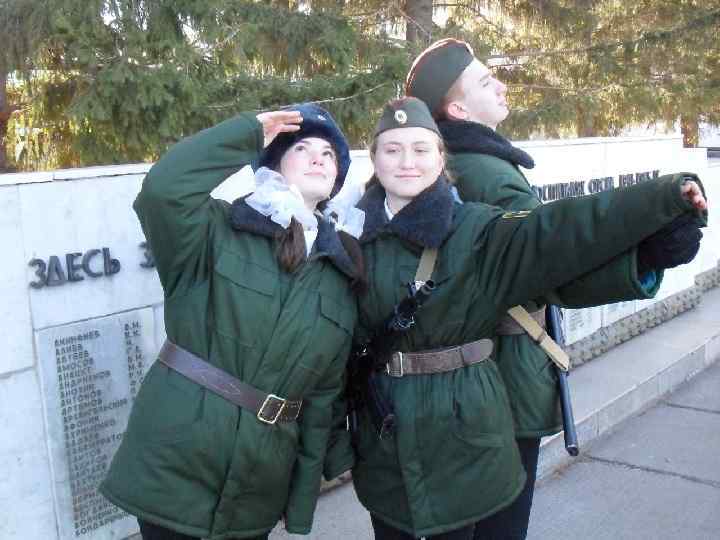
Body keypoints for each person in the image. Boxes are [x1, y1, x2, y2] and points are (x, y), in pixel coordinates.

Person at [330, 96, 706, 540]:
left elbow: (561, 230)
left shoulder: (478, 230)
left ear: (441, 157)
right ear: (375, 159)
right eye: (392, 150)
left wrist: (664, 198)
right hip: (383, 438)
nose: (406, 161)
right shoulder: (347, 234)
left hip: (465, 432)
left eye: (420, 148)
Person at [100, 104, 365, 540]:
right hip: (177, 460)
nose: (318, 158)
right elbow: (163, 192)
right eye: (302, 148)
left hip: (259, 481)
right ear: (274, 164)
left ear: (337, 178)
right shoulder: (217, 229)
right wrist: (246, 134)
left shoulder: (340, 275)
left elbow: (322, 399)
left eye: (329, 154)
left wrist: (300, 503)